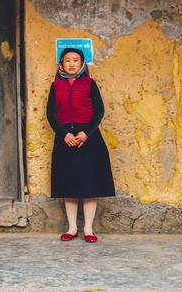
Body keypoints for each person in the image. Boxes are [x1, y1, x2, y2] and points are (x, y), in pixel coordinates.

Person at [46, 47, 115, 243]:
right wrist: (64, 134)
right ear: (61, 64)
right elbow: (51, 114)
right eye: (67, 60)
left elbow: (99, 111)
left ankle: (89, 229)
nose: (71, 64)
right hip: (65, 139)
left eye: (75, 60)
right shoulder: (56, 85)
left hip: (89, 138)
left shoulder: (89, 83)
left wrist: (86, 133)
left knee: (89, 184)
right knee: (69, 185)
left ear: (82, 63)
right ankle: (72, 228)